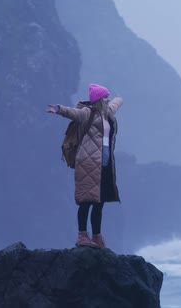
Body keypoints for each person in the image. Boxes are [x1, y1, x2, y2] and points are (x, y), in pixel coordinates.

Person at [46, 83, 123, 248]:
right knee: (86, 200)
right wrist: (59, 109)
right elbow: (72, 112)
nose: (108, 100)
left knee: (99, 202)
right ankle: (82, 236)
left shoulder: (107, 113)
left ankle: (96, 236)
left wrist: (119, 97)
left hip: (105, 165)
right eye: (105, 97)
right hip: (88, 163)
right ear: (99, 100)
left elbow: (115, 105)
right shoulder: (86, 113)